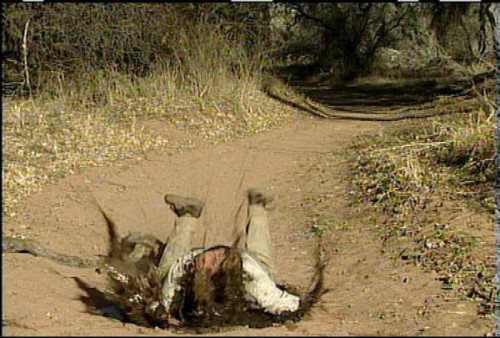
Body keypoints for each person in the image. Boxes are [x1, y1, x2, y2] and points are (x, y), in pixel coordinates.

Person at [153, 187, 300, 323]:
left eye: (215, 261)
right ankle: (256, 206)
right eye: (215, 254)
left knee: (266, 269)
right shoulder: (185, 266)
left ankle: (190, 213)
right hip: (236, 265)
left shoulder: (252, 279)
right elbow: (166, 296)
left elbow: (284, 302)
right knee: (166, 272)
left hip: (252, 274)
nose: (211, 256)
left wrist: (283, 313)